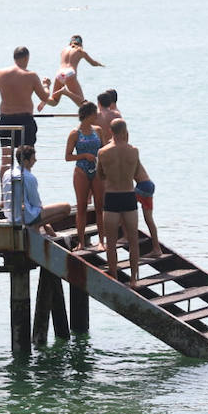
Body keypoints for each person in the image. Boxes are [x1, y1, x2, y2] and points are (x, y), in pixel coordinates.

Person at [0, 46, 51, 179]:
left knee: (5, 160)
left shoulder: (1, 73)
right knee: (26, 159)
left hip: (6, 120)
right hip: (25, 121)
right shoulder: (31, 76)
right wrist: (46, 86)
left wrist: (5, 85)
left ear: (14, 58)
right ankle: (24, 193)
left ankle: (4, 196)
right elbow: (45, 98)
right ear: (27, 58)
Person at [97, 118, 147, 283]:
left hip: (111, 197)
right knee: (133, 241)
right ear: (126, 132)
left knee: (111, 243)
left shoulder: (103, 152)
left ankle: (115, 277)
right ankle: (133, 279)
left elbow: (100, 175)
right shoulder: (134, 151)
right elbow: (136, 173)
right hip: (128, 197)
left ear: (111, 132)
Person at [63, 101, 105, 249]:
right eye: (95, 113)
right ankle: (81, 242)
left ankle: (101, 241)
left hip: (96, 171)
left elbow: (103, 149)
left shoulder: (98, 130)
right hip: (81, 171)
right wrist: (84, 155)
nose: (97, 116)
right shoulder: (75, 133)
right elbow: (67, 156)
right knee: (82, 207)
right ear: (89, 114)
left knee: (100, 206)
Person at [40, 34, 104, 110]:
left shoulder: (64, 50)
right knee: (83, 104)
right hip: (70, 73)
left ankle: (45, 92)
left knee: (54, 102)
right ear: (81, 43)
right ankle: (65, 92)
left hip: (60, 74)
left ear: (70, 42)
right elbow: (93, 63)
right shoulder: (81, 51)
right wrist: (100, 64)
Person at [135, 178, 159, 258]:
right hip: (149, 185)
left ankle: (125, 237)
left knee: (125, 208)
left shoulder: (124, 164)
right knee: (149, 219)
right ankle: (157, 249)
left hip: (142, 186)